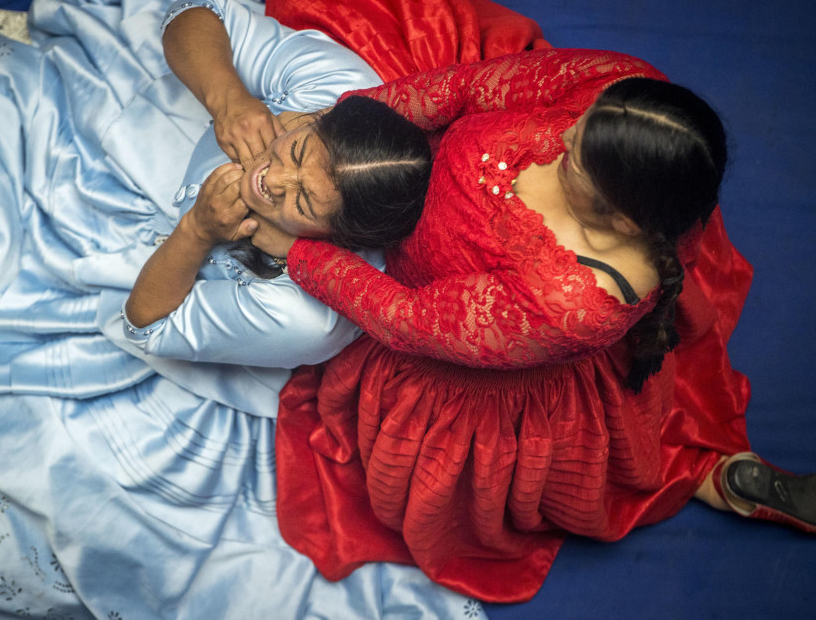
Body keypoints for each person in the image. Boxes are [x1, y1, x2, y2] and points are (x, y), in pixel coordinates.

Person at [0, 0, 501, 618]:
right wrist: (229, 97)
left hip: (152, 296)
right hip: (133, 153)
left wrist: (197, 231)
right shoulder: (339, 89)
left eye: (301, 204)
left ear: (336, 242)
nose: (272, 182)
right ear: (316, 120)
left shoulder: (307, 314)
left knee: (33, 466)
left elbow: (145, 323)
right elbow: (198, 16)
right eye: (297, 152)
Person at [272, 49, 816, 603]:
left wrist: (296, 251)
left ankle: (710, 479)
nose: (567, 132)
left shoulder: (572, 300)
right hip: (394, 182)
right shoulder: (623, 92)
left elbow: (406, 320)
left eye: (574, 160)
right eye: (581, 121)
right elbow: (466, 87)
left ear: (622, 220)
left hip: (448, 349)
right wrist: (342, 134)